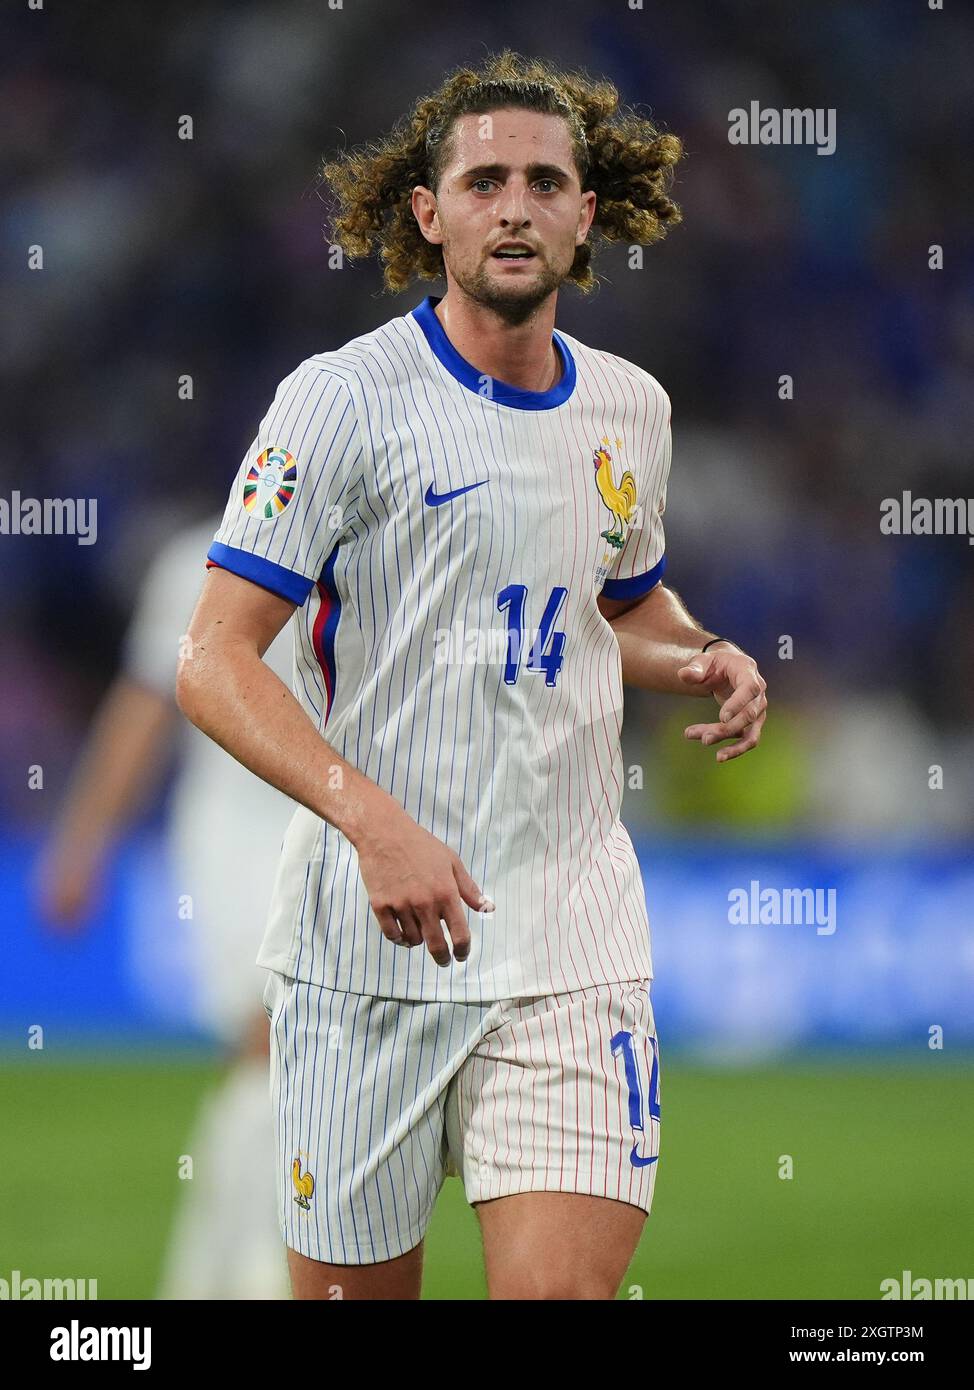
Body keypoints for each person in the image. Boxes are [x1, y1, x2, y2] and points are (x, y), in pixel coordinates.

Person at [176, 51, 768, 1301]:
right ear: (426, 212)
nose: (515, 205)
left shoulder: (630, 409)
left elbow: (614, 603)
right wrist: (373, 819)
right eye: (483, 179)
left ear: (585, 215)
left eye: (543, 182)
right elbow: (212, 659)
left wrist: (702, 652)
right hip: (362, 953)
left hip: (570, 941)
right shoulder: (336, 403)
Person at [36, 514, 293, 1299]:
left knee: (286, 1062)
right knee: (273, 1040)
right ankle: (261, 1276)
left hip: (340, 828)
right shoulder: (201, 558)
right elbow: (146, 706)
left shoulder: (377, 542)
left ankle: (205, 1278)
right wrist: (82, 841)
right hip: (235, 833)